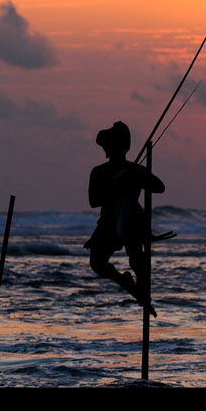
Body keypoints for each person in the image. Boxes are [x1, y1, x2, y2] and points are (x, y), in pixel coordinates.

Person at [84, 121, 165, 317]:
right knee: (97, 263)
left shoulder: (135, 169)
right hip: (108, 223)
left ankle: (142, 290)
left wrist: (136, 177)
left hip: (133, 221)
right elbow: (94, 201)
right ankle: (126, 282)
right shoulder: (99, 171)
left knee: (138, 261)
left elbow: (159, 187)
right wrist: (114, 184)